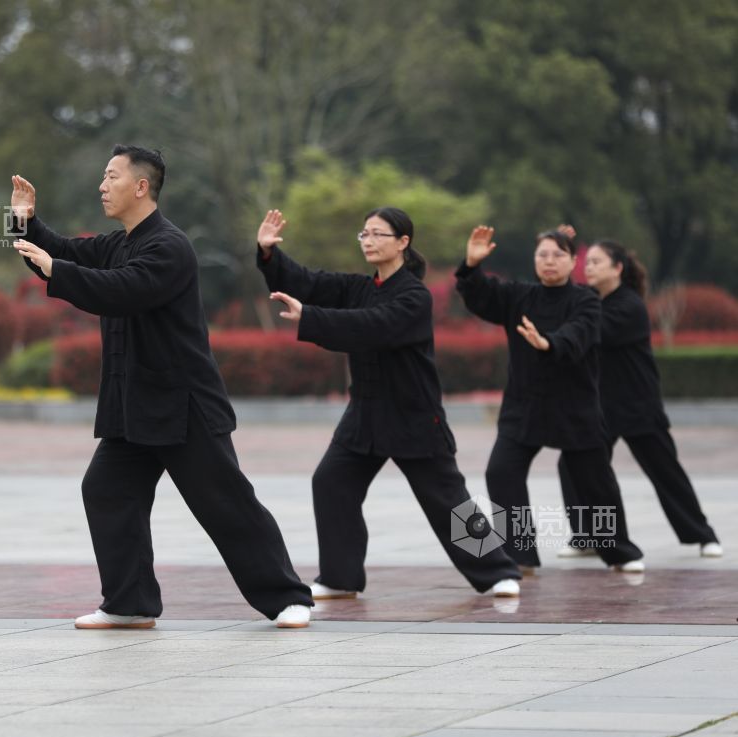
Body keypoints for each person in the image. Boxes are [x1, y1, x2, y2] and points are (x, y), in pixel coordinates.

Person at [11, 145, 314, 629]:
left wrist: (56, 270)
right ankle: (129, 604)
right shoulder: (118, 243)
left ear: (140, 186)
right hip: (134, 408)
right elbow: (62, 251)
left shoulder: (169, 246)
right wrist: (24, 221)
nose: (102, 186)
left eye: (111, 176)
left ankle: (288, 598)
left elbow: (121, 290)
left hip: (183, 405)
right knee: (106, 489)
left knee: (225, 502)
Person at [257, 208, 523, 599]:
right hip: (364, 414)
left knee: (447, 500)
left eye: (378, 234)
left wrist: (310, 318)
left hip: (413, 416)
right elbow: (308, 282)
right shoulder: (358, 287)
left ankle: (498, 571)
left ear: (403, 242)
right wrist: (269, 254)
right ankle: (339, 578)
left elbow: (373, 326)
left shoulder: (415, 296)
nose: (368, 240)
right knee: (332, 482)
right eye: (364, 233)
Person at [455, 225, 645, 572]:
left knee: (596, 484)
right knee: (501, 472)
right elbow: (482, 295)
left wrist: (549, 342)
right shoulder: (519, 296)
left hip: (575, 408)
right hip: (524, 406)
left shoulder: (586, 300)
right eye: (542, 254)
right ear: (534, 260)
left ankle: (620, 552)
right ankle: (520, 554)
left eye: (558, 254)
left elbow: (580, 332)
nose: (549, 261)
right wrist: (471, 266)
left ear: (573, 261)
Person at [556, 238, 722, 558]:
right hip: (599, 407)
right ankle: (589, 536)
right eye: (587, 262)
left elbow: (592, 332)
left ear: (617, 268)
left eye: (597, 262)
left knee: (665, 471)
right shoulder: (590, 301)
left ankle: (704, 536)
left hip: (637, 405)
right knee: (573, 465)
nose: (589, 267)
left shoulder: (629, 306)